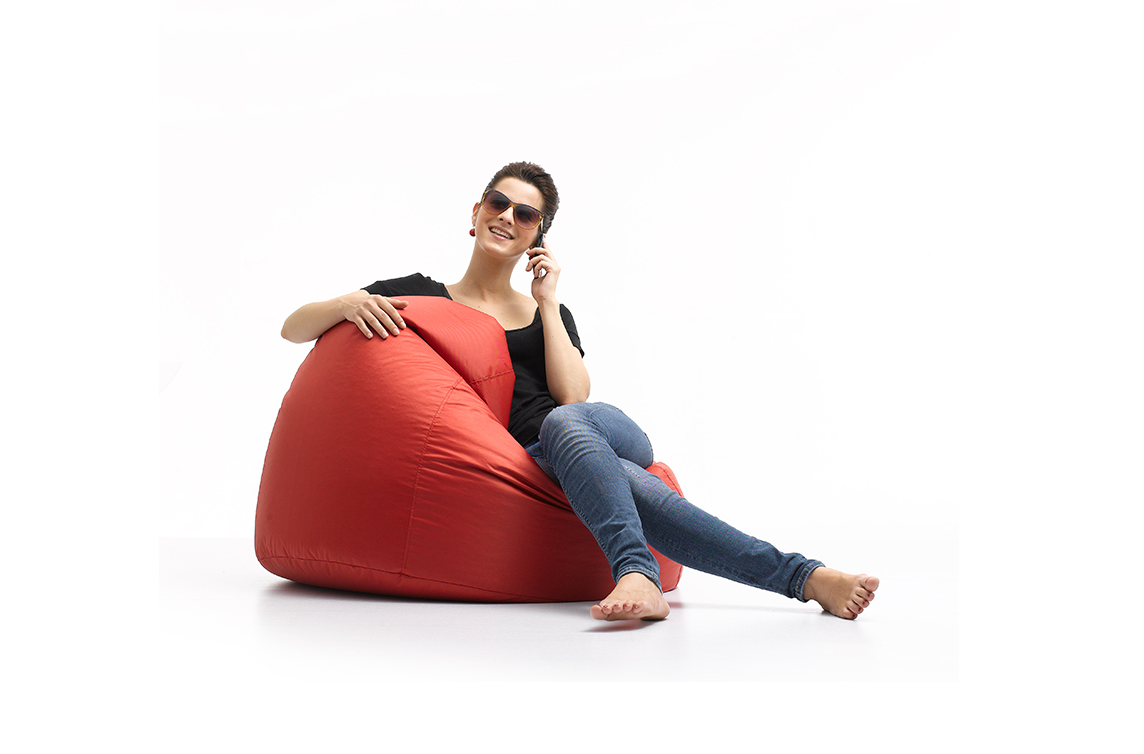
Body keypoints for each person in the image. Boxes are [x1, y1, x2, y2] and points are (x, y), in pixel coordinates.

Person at [281, 162, 879, 622]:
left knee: (564, 423)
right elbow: (293, 328)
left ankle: (635, 570)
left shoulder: (548, 311)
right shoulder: (416, 292)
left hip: (591, 430)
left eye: (526, 215)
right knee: (642, 492)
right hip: (533, 461)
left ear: (536, 237)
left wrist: (546, 303)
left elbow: (573, 397)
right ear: (476, 210)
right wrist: (346, 302)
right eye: (498, 203)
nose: (507, 217)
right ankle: (807, 578)